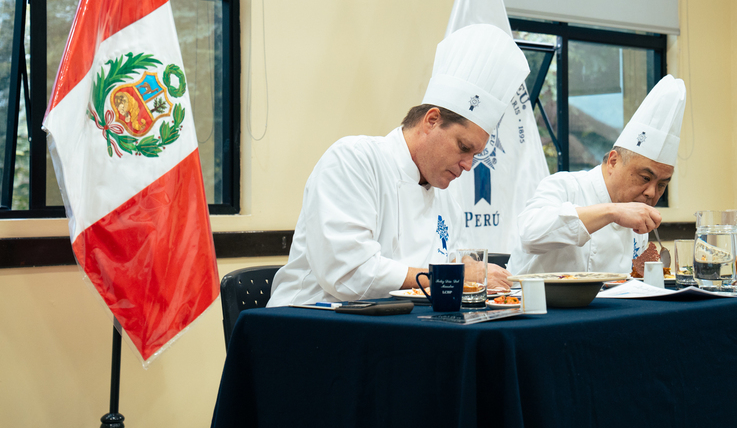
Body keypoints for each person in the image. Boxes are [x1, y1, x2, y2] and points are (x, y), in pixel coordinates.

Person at [268, 24, 529, 306]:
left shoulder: (446, 194)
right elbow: (349, 275)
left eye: (476, 155)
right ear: (432, 120)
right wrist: (457, 276)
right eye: (464, 148)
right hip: (310, 322)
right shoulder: (354, 160)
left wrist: (468, 266)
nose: (468, 166)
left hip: (399, 325)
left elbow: (453, 257)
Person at [508, 75, 686, 275]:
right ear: (613, 161)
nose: (651, 193)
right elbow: (530, 233)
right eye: (645, 178)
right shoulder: (564, 185)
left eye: (662, 184)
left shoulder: (638, 220)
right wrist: (613, 212)